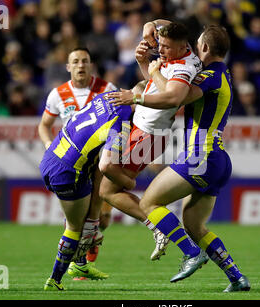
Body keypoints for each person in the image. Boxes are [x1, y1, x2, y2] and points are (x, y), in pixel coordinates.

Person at [108, 24, 250, 292]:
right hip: (218, 159)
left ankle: (191, 253)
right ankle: (236, 277)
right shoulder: (223, 74)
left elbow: (176, 98)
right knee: (195, 225)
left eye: (198, 43)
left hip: (201, 155)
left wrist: (142, 88)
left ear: (205, 47)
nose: (195, 48)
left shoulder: (208, 75)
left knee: (150, 203)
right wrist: (151, 30)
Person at [99, 21, 202, 261]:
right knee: (103, 179)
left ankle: (156, 222)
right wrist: (149, 32)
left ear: (180, 47)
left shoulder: (183, 69)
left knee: (107, 186)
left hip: (147, 135)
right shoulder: (180, 51)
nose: (161, 50)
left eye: (166, 47)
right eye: (160, 44)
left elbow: (170, 99)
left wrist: (141, 88)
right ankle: (151, 218)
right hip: (137, 125)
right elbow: (156, 87)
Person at [40, 85, 144, 290]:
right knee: (74, 227)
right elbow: (107, 164)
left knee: (84, 216)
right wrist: (129, 182)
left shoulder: (105, 96)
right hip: (68, 170)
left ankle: (81, 261)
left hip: (52, 156)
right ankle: (56, 279)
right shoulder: (121, 122)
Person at [38, 47, 117, 280]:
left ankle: (83, 262)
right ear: (68, 67)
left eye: (85, 61)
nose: (81, 65)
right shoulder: (58, 94)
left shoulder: (106, 89)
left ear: (91, 65)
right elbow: (44, 125)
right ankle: (80, 266)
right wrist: (49, 146)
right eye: (76, 61)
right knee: (78, 218)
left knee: (103, 220)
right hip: (73, 164)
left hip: (100, 162)